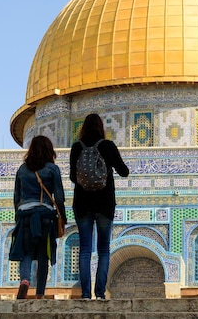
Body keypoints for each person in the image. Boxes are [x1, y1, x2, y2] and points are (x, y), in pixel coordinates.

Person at [70, 114, 130, 299]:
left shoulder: (76, 148)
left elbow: (73, 177)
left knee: (85, 250)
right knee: (104, 249)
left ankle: (86, 294)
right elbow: (124, 172)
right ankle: (100, 293)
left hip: (82, 205)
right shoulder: (107, 146)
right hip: (105, 204)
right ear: (101, 128)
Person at [10, 135, 67, 299]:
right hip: (45, 215)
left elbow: (16, 196)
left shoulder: (22, 169)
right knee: (44, 255)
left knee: (26, 253)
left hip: (25, 214)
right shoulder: (52, 169)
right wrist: (63, 215)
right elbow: (60, 196)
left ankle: (25, 280)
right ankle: (40, 293)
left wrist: (18, 216)